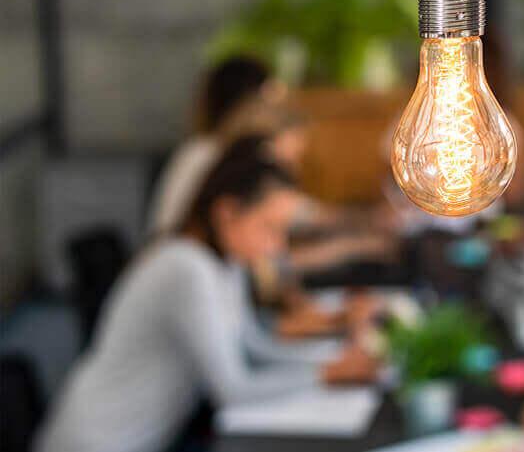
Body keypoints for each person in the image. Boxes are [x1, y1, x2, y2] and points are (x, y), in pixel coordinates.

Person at [37, 147, 377, 452]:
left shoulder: (225, 262)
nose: (278, 247)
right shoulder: (185, 268)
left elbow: (253, 349)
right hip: (100, 441)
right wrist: (329, 373)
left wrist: (334, 360)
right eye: (270, 228)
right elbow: (233, 388)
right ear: (227, 213)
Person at [148, 55, 276, 235]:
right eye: (269, 99)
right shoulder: (207, 154)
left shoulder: (206, 150)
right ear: (249, 104)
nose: (274, 112)